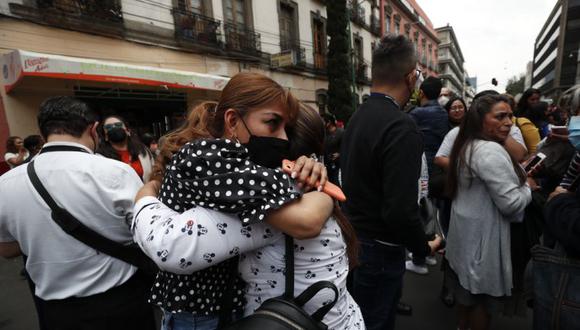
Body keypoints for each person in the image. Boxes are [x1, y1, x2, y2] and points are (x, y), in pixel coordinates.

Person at [133, 104, 365, 329]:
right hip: (344, 319)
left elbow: (170, 246)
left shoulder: (268, 208)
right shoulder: (309, 188)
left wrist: (144, 197)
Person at [0, 96, 155, 330]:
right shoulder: (115, 172)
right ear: (93, 130)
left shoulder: (6, 184)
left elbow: (7, 249)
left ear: (43, 135)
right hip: (123, 304)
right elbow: (146, 233)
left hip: (56, 312)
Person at [340, 35, 442, 330]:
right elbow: (399, 209)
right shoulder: (401, 126)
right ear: (412, 77)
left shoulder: (357, 116)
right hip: (381, 250)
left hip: (356, 241)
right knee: (375, 323)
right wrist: (423, 246)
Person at [446, 94, 531, 330]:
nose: (509, 122)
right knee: (480, 302)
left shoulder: (469, 143)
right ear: (481, 120)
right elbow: (512, 203)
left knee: (467, 296)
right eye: (500, 116)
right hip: (482, 243)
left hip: (468, 238)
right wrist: (527, 188)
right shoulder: (489, 152)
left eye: (510, 116)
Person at [409, 76, 449, 174]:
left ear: (421, 93)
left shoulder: (416, 113)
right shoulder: (444, 112)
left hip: (421, 165)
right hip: (438, 165)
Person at [97, 115, 155, 182]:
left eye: (118, 125)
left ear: (128, 131)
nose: (114, 128)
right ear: (105, 136)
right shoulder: (100, 158)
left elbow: (154, 173)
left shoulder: (143, 150)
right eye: (108, 127)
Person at [322, 113, 344, 185]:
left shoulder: (341, 133)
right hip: (327, 165)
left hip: (339, 165)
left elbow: (347, 146)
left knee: (337, 183)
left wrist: (340, 154)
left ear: (328, 122)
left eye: (323, 121)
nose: (322, 123)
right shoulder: (324, 134)